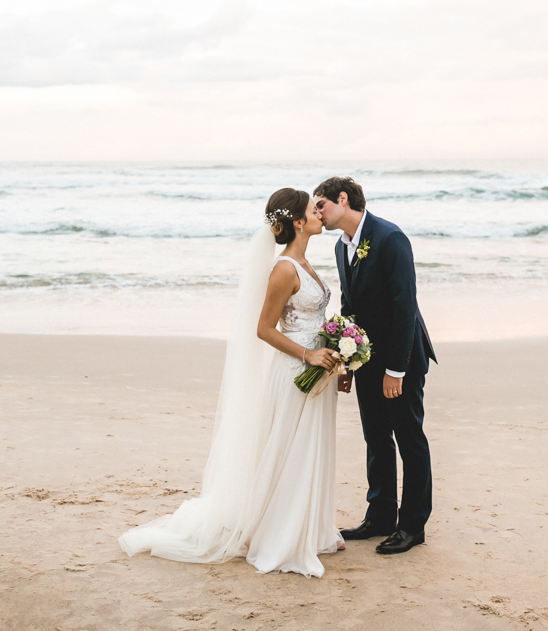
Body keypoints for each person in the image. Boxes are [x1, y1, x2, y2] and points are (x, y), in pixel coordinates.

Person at [118, 188, 344, 578]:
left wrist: (338, 347)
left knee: (310, 449)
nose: (320, 215)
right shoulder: (285, 268)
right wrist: (308, 355)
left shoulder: (305, 263)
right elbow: (262, 329)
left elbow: (310, 320)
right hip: (295, 374)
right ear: (296, 222)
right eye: (313, 210)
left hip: (318, 372)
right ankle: (280, 537)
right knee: (289, 452)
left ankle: (311, 529)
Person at [313, 176, 437, 555]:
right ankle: (380, 515)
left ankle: (412, 525)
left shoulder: (389, 238)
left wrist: (396, 370)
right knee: (376, 438)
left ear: (343, 199)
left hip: (402, 359)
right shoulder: (340, 246)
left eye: (321, 205)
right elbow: (352, 306)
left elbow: (404, 307)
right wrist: (348, 361)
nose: (317, 213)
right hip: (366, 358)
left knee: (409, 439)